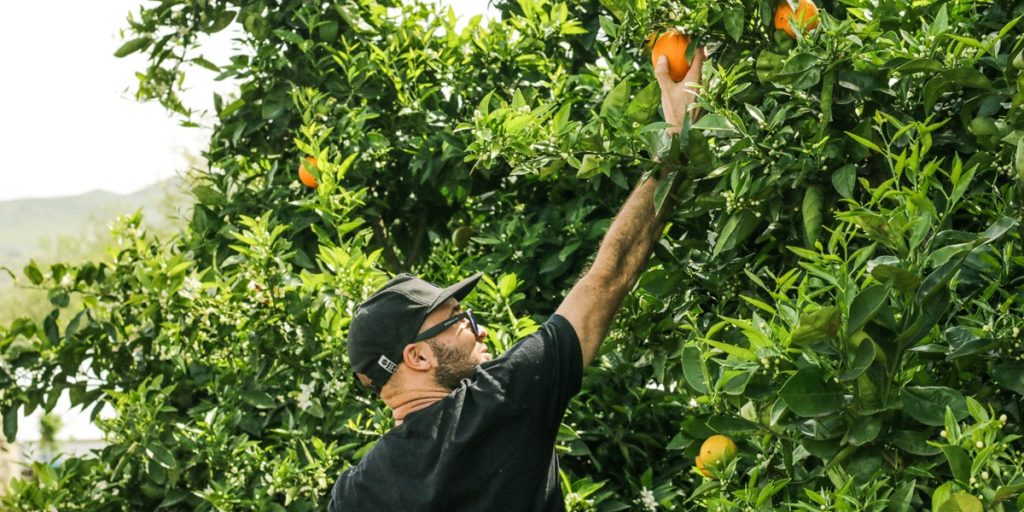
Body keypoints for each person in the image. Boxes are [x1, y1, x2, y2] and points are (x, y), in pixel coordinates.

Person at [327, 49, 706, 511]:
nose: (478, 326)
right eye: (458, 318)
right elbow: (608, 277)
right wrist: (674, 144)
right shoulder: (499, 402)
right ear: (419, 355)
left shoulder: (355, 492)